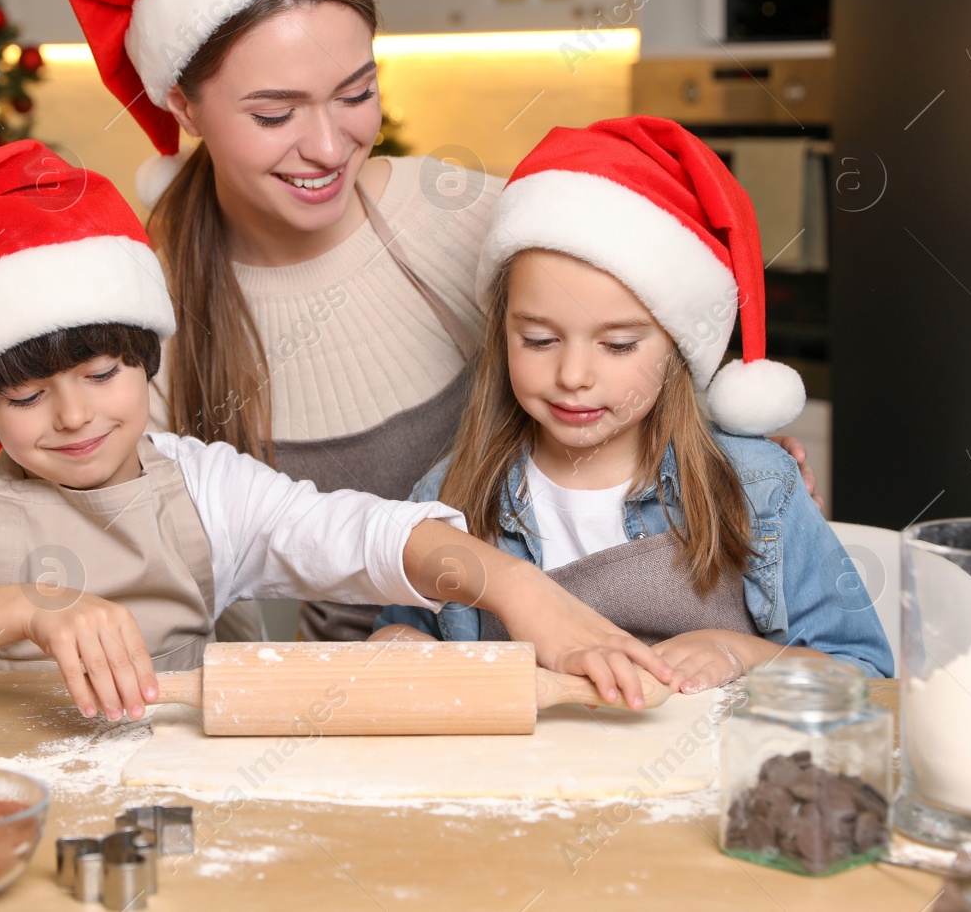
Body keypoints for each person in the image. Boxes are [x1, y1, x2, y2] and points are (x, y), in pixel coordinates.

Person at [65, 0, 820, 643]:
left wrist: (737, 456)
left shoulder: (467, 218)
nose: (328, 148)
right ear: (184, 107)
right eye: (275, 113)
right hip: (332, 690)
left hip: (533, 658)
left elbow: (638, 328)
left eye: (355, 93)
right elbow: (134, 562)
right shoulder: (144, 310)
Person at [0, 139, 676, 720]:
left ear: (147, 361)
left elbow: (357, 533)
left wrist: (515, 588)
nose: (75, 415)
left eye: (101, 374)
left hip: (167, 790)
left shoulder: (206, 488)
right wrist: (29, 610)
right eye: (29, 396)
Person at [375, 117, 894, 689]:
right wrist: (395, 647)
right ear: (501, 333)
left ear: (677, 349)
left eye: (619, 345)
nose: (573, 376)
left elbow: (864, 675)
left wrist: (740, 652)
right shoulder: (450, 496)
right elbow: (407, 646)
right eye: (539, 340)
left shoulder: (758, 487)